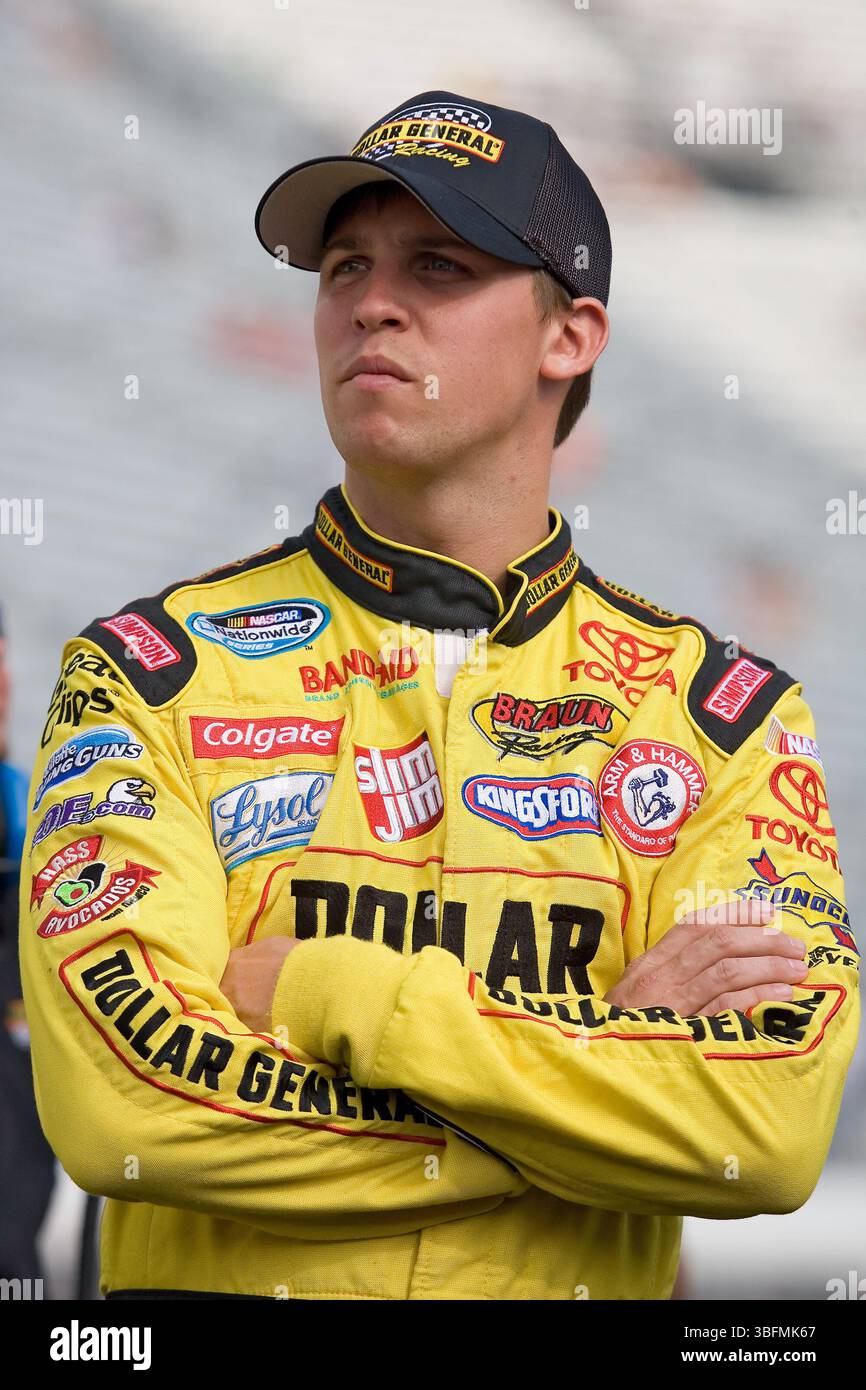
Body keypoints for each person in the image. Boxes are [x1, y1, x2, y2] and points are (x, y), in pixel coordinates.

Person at [19, 90, 859, 1301]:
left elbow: (763, 1130)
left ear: (567, 338)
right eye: (343, 265)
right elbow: (123, 1116)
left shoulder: (718, 716)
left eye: (439, 265)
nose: (369, 299)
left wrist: (323, 989)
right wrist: (584, 1097)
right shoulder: (150, 674)